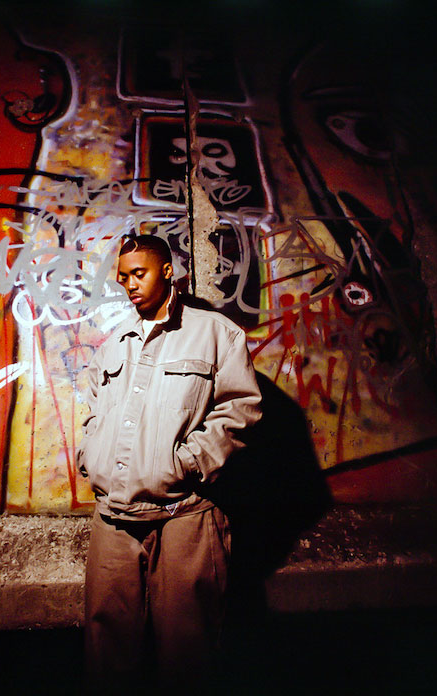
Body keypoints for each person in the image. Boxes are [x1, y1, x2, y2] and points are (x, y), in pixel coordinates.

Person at [77, 234, 262, 685]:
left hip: (186, 518)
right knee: (107, 656)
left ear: (166, 271)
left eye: (138, 274)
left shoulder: (216, 333)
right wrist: (92, 455)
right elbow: (92, 408)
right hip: (114, 519)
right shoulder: (114, 340)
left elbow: (240, 410)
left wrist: (186, 463)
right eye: (122, 278)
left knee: (188, 654)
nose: (129, 285)